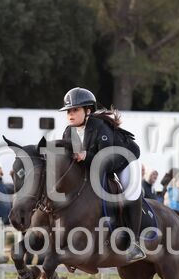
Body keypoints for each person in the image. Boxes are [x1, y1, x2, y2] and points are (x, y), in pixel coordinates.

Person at [60, 87, 144, 261]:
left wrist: (85, 156)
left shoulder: (100, 127)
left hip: (124, 161)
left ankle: (134, 243)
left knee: (131, 193)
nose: (70, 114)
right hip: (96, 165)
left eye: (75, 110)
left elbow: (105, 161)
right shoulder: (68, 132)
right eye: (68, 111)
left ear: (88, 111)